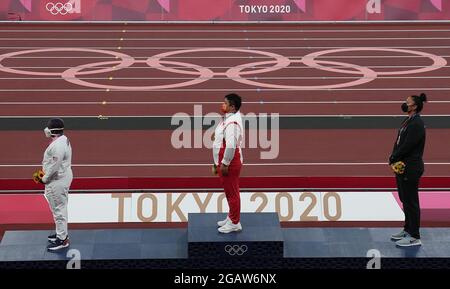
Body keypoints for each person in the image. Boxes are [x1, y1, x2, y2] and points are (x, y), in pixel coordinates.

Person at [389, 93, 427, 247]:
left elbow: (408, 145)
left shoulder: (417, 124)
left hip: (411, 168)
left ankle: (414, 236)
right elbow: (399, 142)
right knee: (405, 199)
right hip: (402, 167)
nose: (404, 104)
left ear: (415, 106)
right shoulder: (408, 121)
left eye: (407, 102)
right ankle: (407, 229)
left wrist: (394, 156)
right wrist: (394, 156)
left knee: (411, 202)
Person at [35, 118, 73, 251]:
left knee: (59, 210)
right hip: (61, 178)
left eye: (48, 127)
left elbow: (55, 165)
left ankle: (62, 240)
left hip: (56, 180)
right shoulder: (62, 140)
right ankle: (60, 234)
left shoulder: (57, 146)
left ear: (51, 131)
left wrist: (44, 178)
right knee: (58, 208)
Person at [212, 93, 244, 233]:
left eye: (225, 103)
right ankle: (231, 217)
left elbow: (230, 145)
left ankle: (235, 223)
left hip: (229, 162)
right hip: (225, 160)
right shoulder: (230, 117)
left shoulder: (233, 123)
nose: (222, 105)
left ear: (232, 106)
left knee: (232, 193)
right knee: (230, 192)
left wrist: (224, 164)